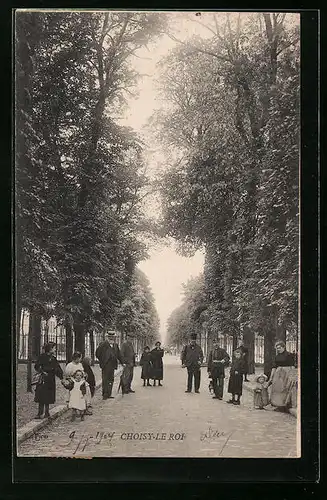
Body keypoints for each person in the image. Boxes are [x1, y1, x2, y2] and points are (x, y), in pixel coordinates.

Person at [34, 342, 64, 419]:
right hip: (43, 378)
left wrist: (61, 377)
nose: (55, 349)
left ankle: (47, 412)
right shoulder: (42, 357)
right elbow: (37, 366)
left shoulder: (53, 358)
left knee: (48, 396)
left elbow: (58, 369)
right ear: (50, 349)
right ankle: (39, 413)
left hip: (50, 379)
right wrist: (41, 371)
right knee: (41, 395)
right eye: (54, 348)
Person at [265, 340, 297, 412]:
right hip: (278, 374)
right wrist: (271, 377)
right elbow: (274, 367)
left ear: (283, 347)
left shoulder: (290, 355)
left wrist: (292, 376)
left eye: (279, 348)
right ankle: (279, 405)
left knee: (286, 388)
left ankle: (286, 405)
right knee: (278, 389)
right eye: (277, 348)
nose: (278, 349)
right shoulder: (277, 357)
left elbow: (292, 366)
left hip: (287, 373)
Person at [95, 332, 124, 399]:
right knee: (105, 379)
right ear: (107, 337)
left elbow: (119, 355)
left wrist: (123, 363)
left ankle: (109, 393)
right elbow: (97, 353)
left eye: (112, 337)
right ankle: (105, 394)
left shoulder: (115, 345)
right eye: (110, 337)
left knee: (111, 379)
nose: (111, 338)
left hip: (113, 365)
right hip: (106, 365)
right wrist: (102, 360)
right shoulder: (103, 344)